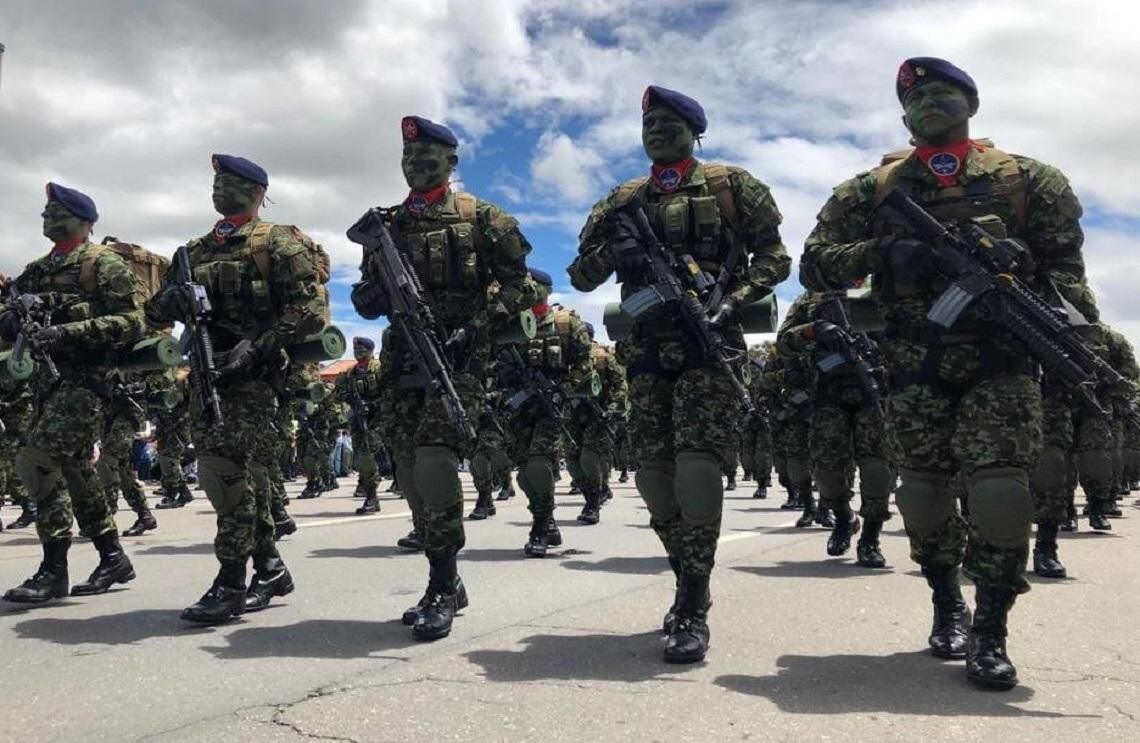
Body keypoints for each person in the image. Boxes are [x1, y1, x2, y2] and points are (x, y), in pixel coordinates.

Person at [799, 57, 1088, 690]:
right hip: (913, 363)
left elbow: (1068, 273)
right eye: (917, 97)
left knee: (1000, 492)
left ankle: (990, 626)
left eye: (943, 92)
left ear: (971, 104)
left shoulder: (1028, 180)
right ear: (904, 115)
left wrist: (1063, 328)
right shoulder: (869, 191)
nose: (929, 103)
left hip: (1002, 360)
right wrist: (882, 251)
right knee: (924, 496)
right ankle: (944, 596)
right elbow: (815, 266)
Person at [569, 85, 790, 663]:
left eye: (670, 122)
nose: (657, 131)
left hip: (709, 343)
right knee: (653, 476)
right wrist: (617, 254)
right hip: (645, 351)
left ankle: (692, 597)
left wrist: (733, 297)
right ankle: (685, 568)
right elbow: (582, 275)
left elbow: (775, 257)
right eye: (649, 123)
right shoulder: (622, 199)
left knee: (695, 468)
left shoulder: (732, 186)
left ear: (695, 129)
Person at [352, 116, 542, 640]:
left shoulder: (484, 218)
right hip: (403, 358)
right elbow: (368, 298)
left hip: (461, 359)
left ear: (451, 163)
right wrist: (371, 296)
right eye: (408, 158)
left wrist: (477, 324)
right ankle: (447, 578)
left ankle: (442, 583)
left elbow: (521, 286)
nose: (415, 164)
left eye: (427, 157)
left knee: (435, 462)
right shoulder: (386, 226)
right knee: (409, 470)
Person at [147, 154, 329, 623]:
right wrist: (174, 299)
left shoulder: (278, 244)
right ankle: (268, 566)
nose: (218, 189)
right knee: (236, 476)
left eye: (228, 182)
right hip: (208, 373)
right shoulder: (194, 250)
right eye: (215, 182)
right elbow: (155, 312)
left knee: (223, 473)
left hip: (255, 376)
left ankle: (230, 582)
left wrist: (261, 345)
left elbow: (310, 310)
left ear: (256, 192)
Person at [2, 183, 145, 604]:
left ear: (84, 221)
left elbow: (132, 321)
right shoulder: (34, 271)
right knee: (78, 473)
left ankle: (54, 569)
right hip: (47, 385)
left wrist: (66, 331)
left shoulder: (103, 265)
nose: (47, 218)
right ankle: (113, 556)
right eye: (45, 212)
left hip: (88, 384)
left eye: (57, 212)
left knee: (37, 460)